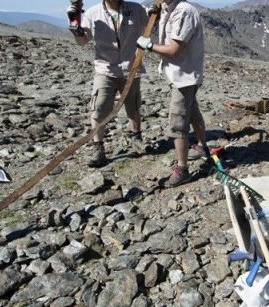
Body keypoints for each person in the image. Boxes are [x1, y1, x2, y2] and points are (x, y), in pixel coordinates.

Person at [67, 0, 151, 167]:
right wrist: (74, 25)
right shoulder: (93, 13)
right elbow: (82, 41)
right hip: (105, 69)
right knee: (99, 108)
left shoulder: (136, 9)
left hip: (130, 67)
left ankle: (136, 138)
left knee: (133, 106)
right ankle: (98, 149)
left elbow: (153, 22)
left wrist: (160, 9)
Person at [136, 0, 210, 187]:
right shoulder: (167, 8)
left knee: (177, 124)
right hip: (180, 74)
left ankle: (183, 169)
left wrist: (149, 46)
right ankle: (202, 147)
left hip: (184, 76)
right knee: (192, 111)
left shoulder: (184, 12)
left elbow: (174, 50)